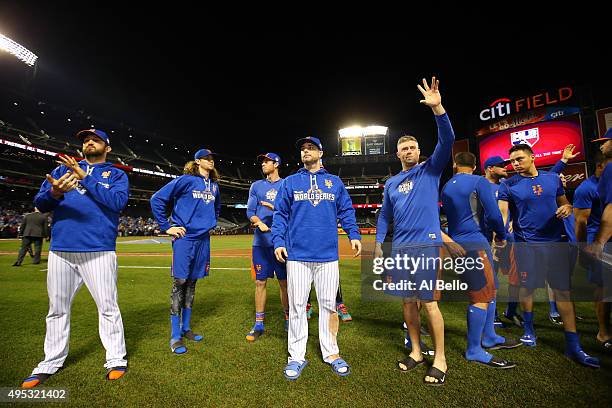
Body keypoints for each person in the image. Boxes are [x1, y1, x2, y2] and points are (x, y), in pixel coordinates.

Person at [22, 129, 129, 388]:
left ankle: (116, 359)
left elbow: (117, 203)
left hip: (99, 249)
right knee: (57, 309)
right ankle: (50, 362)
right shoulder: (61, 171)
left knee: (107, 307)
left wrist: (86, 179)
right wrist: (55, 194)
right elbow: (41, 203)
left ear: (107, 147)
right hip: (61, 249)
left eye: (96, 139)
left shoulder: (116, 174)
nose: (89, 142)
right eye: (85, 140)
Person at [374, 77, 453, 385]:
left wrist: (439, 109)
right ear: (397, 154)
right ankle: (417, 352)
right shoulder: (392, 184)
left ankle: (441, 359)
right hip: (402, 249)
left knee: (429, 301)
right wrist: (380, 243)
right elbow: (385, 215)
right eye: (403, 148)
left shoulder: (430, 169)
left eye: (412, 147)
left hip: (427, 246)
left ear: (419, 150)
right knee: (408, 302)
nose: (408, 151)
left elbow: (447, 140)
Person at [498, 143, 599, 367]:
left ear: (532, 157)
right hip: (527, 246)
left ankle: (573, 346)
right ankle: (528, 328)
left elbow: (564, 204)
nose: (515, 164)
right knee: (528, 287)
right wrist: (502, 235)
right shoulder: (508, 185)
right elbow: (503, 214)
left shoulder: (552, 179)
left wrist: (567, 208)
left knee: (563, 291)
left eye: (520, 159)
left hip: (556, 244)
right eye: (513, 161)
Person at [272, 136, 361, 380]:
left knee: (328, 306)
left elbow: (346, 210)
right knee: (298, 307)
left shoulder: (334, 183)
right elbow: (280, 214)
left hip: (327, 255)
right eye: (302, 149)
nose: (306, 152)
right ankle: (296, 356)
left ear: (321, 153)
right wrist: (278, 241)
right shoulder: (290, 182)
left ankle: (331, 353)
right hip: (297, 255)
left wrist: (353, 233)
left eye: (311, 148)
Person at [441, 151, 521, 368]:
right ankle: (474, 348)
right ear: (475, 166)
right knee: (481, 295)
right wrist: (502, 236)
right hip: (476, 243)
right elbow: (494, 215)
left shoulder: (446, 186)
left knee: (490, 289)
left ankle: (490, 336)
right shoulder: (479, 182)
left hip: (458, 243)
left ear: (455, 165)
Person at [150, 149, 221, 354]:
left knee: (192, 282)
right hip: (184, 238)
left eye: (212, 158)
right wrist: (166, 226)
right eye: (206, 158)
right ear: (197, 161)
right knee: (180, 282)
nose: (210, 160)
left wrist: (212, 222)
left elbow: (217, 208)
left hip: (203, 240)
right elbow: (157, 199)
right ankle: (175, 335)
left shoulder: (214, 186)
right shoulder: (185, 180)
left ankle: (186, 328)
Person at [245, 152, 289, 342]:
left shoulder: (287, 184)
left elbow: (292, 211)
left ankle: (289, 319)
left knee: (284, 283)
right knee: (260, 282)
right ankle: (259, 323)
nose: (263, 164)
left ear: (276, 164)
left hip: (281, 243)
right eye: (262, 161)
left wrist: (274, 208)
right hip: (260, 244)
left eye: (266, 161)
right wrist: (258, 222)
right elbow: (250, 211)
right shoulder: (256, 186)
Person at [582, 130, 612, 351]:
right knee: (603, 288)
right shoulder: (586, 187)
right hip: (603, 238)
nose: (602, 146)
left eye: (606, 142)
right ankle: (603, 330)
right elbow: (581, 220)